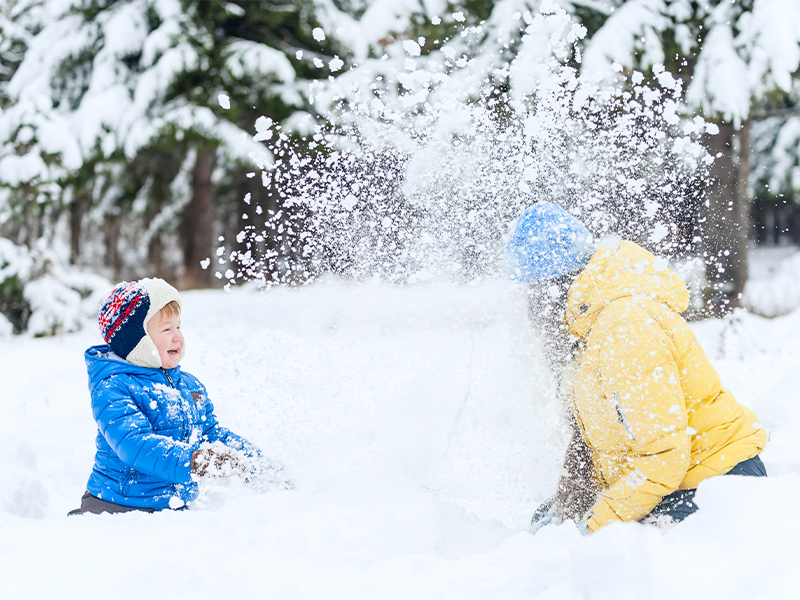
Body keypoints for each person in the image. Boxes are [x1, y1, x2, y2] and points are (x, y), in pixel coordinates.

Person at [506, 202, 768, 533]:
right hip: (673, 480)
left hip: (720, 481)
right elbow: (598, 440)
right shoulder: (587, 330)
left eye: (531, 293)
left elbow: (664, 456)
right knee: (546, 523)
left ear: (553, 289)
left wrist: (594, 526)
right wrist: (572, 502)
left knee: (597, 550)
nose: (529, 309)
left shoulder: (624, 329)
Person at [71, 278, 264, 515]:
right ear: (136, 341)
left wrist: (256, 463)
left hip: (170, 510)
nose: (178, 337)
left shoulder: (191, 387)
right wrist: (197, 462)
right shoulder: (114, 387)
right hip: (116, 508)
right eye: (166, 329)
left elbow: (210, 432)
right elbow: (134, 445)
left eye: (179, 327)